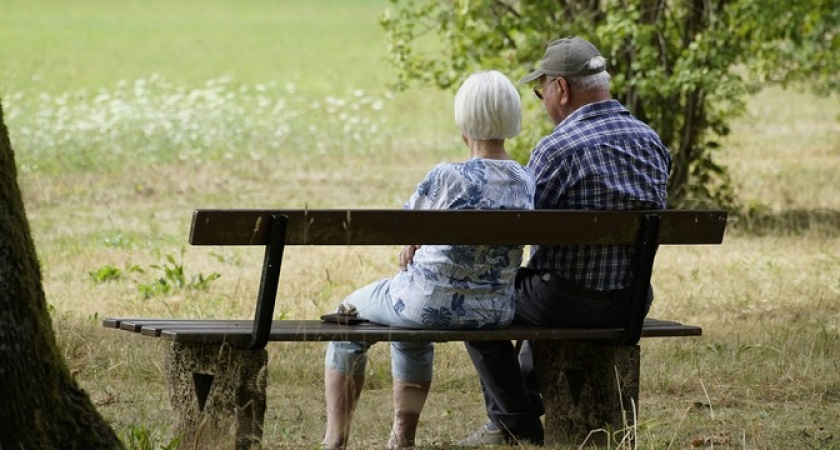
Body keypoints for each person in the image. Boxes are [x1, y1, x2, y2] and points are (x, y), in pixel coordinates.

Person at [458, 37, 672, 446]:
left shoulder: (557, 150)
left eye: (541, 93)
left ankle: (514, 423)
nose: (543, 102)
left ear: (561, 88)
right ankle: (518, 405)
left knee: (475, 299)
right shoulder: (652, 142)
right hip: (631, 303)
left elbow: (518, 229)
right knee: (541, 286)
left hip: (567, 303)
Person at [321, 70, 535, 450]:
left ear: (464, 119)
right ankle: (402, 438)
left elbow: (403, 225)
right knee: (407, 326)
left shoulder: (447, 176)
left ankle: (334, 440)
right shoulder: (524, 179)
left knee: (347, 316)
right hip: (494, 311)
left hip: (426, 304)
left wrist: (412, 240)